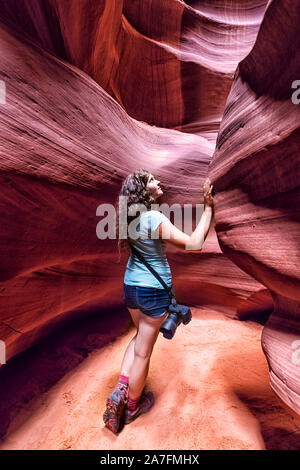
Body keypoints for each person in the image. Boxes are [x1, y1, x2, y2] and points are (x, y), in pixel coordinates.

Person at [103, 169, 214, 434]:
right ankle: (131, 407)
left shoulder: (130, 217)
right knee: (144, 350)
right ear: (143, 190)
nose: (158, 182)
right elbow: (194, 243)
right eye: (152, 180)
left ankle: (121, 388)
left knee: (138, 336)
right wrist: (208, 207)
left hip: (131, 286)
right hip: (153, 292)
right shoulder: (152, 217)